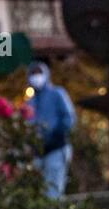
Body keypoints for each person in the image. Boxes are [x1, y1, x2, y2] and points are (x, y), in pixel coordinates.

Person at [25, 62, 76, 198]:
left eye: (38, 73)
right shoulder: (30, 101)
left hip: (56, 148)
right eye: (33, 74)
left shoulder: (57, 94)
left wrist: (55, 134)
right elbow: (27, 125)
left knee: (53, 191)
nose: (36, 77)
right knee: (39, 192)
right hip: (38, 152)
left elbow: (69, 119)